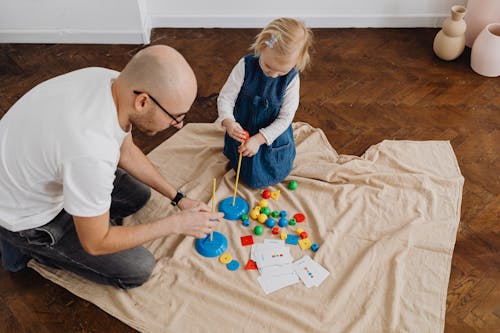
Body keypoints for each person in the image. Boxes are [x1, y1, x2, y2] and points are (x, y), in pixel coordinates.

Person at [0, 45, 224, 289]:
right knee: (139, 268)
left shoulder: (111, 80)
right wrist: (176, 224)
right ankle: (32, 248)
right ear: (142, 102)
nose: (178, 125)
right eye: (175, 116)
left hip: (40, 172)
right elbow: (95, 243)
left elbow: (125, 152)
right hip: (26, 217)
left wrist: (178, 198)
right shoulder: (91, 151)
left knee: (138, 196)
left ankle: (83, 209)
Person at [217, 17, 313, 189]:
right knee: (239, 156)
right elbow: (226, 97)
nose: (273, 74)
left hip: (271, 138)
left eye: (281, 71)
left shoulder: (291, 80)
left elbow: (285, 118)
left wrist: (260, 139)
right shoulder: (245, 66)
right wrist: (229, 121)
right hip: (242, 128)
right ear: (261, 47)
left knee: (266, 168)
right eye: (268, 66)